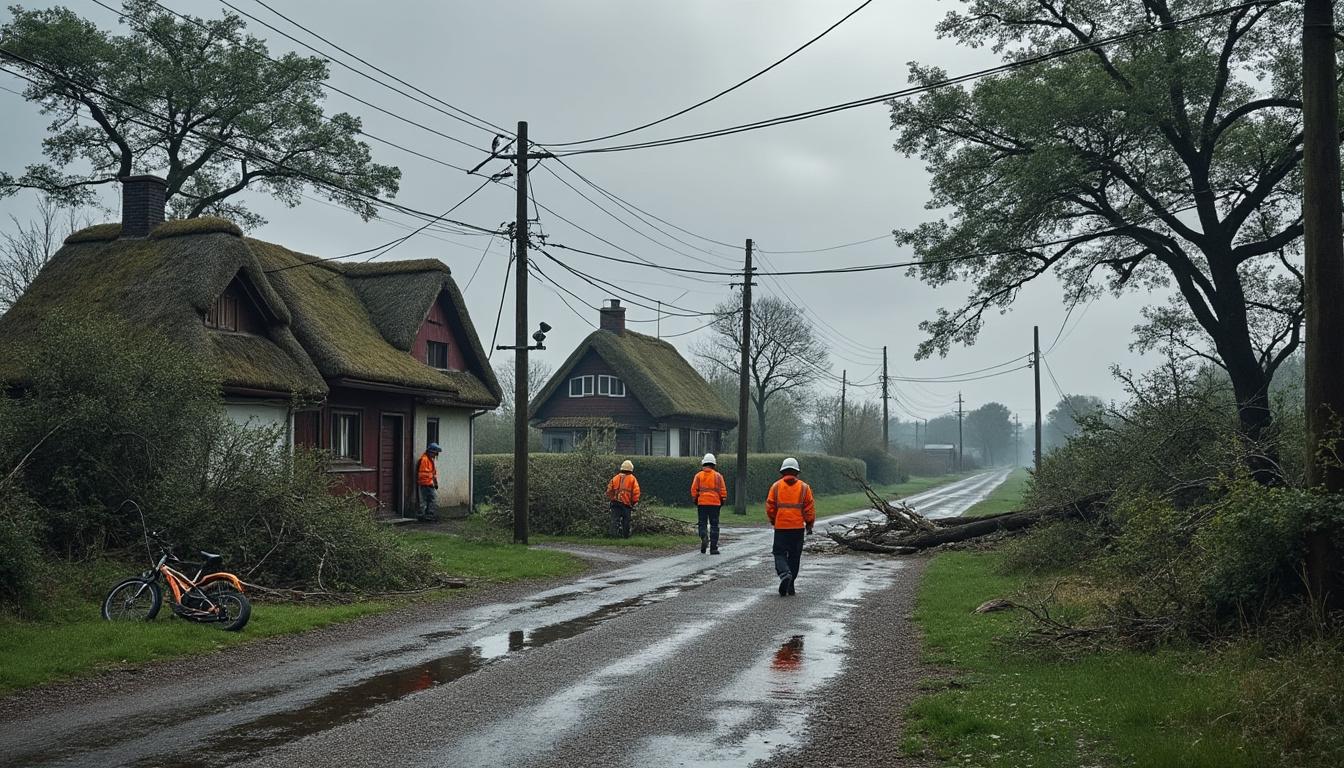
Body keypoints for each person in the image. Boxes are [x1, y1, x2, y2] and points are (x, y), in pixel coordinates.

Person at [765, 456, 815, 596]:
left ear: (782, 471)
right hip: (797, 528)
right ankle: (791, 583)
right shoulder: (804, 488)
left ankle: (784, 574)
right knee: (795, 556)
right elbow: (809, 508)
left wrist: (773, 520)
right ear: (797, 472)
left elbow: (770, 507)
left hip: (781, 527)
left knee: (779, 553)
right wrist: (809, 523)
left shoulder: (776, 487)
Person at [690, 453, 728, 554]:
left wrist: (695, 500)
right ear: (714, 464)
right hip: (715, 504)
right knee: (714, 525)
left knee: (702, 523)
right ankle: (713, 548)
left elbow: (693, 490)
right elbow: (723, 490)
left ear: (704, 464)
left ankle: (704, 536)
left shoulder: (698, 476)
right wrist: (722, 500)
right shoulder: (718, 476)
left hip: (702, 503)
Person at [606, 459, 640, 538]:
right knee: (626, 521)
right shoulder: (632, 479)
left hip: (615, 503)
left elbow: (609, 490)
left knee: (614, 520)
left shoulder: (615, 478)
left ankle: (613, 535)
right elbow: (636, 492)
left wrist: (612, 498)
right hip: (626, 504)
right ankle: (625, 536)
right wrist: (634, 502)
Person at [416, 443, 442, 522]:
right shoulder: (425, 460)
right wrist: (431, 483)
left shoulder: (429, 460)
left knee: (428, 500)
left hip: (428, 483)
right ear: (431, 452)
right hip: (426, 484)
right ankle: (426, 516)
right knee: (431, 499)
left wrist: (435, 483)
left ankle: (425, 515)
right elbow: (423, 474)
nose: (435, 455)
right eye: (435, 453)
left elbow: (433, 473)